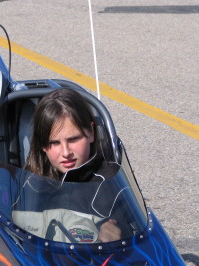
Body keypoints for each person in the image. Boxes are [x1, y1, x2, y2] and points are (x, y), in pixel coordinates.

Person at [18, 88, 122, 243]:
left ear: (91, 133)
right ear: (42, 145)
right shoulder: (29, 184)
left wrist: (114, 234)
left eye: (73, 139)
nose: (66, 152)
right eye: (54, 143)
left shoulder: (110, 182)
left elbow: (135, 234)